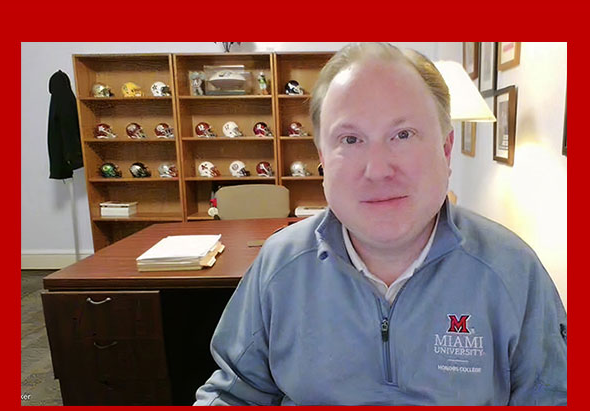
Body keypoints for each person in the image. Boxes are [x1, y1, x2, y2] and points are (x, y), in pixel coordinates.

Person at [194, 43, 567, 406]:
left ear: (446, 148)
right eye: (351, 139)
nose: (377, 170)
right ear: (323, 157)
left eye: (402, 135)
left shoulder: (512, 270)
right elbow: (232, 394)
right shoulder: (279, 266)